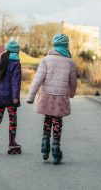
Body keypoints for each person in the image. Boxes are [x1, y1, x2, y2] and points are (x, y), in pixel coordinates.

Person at [26, 34, 77, 165]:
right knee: (58, 121)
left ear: (54, 45)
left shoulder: (45, 60)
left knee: (48, 119)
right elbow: (73, 82)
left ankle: (45, 143)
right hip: (61, 97)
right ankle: (55, 147)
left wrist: (31, 96)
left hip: (46, 95)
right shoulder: (70, 62)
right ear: (66, 46)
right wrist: (71, 94)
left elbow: (38, 79)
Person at [0, 40, 22, 155]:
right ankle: (12, 144)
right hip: (11, 98)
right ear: (17, 52)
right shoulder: (16, 63)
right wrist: (16, 97)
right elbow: (15, 82)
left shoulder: (1, 61)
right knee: (12, 121)